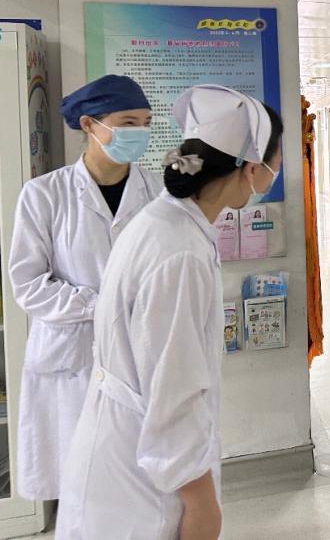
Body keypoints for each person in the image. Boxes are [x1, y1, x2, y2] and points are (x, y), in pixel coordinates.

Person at [55, 84, 283, 540]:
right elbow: (173, 392)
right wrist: (201, 501)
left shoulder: (169, 222)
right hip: (141, 485)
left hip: (128, 454)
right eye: (276, 162)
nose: (277, 173)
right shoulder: (180, 253)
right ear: (251, 168)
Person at [9, 74, 162, 501]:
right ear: (89, 124)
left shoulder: (159, 192)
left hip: (141, 351)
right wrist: (101, 304)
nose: (140, 133)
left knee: (139, 485)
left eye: (146, 122)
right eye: (128, 122)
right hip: (72, 358)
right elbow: (28, 284)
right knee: (80, 482)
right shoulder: (43, 195)